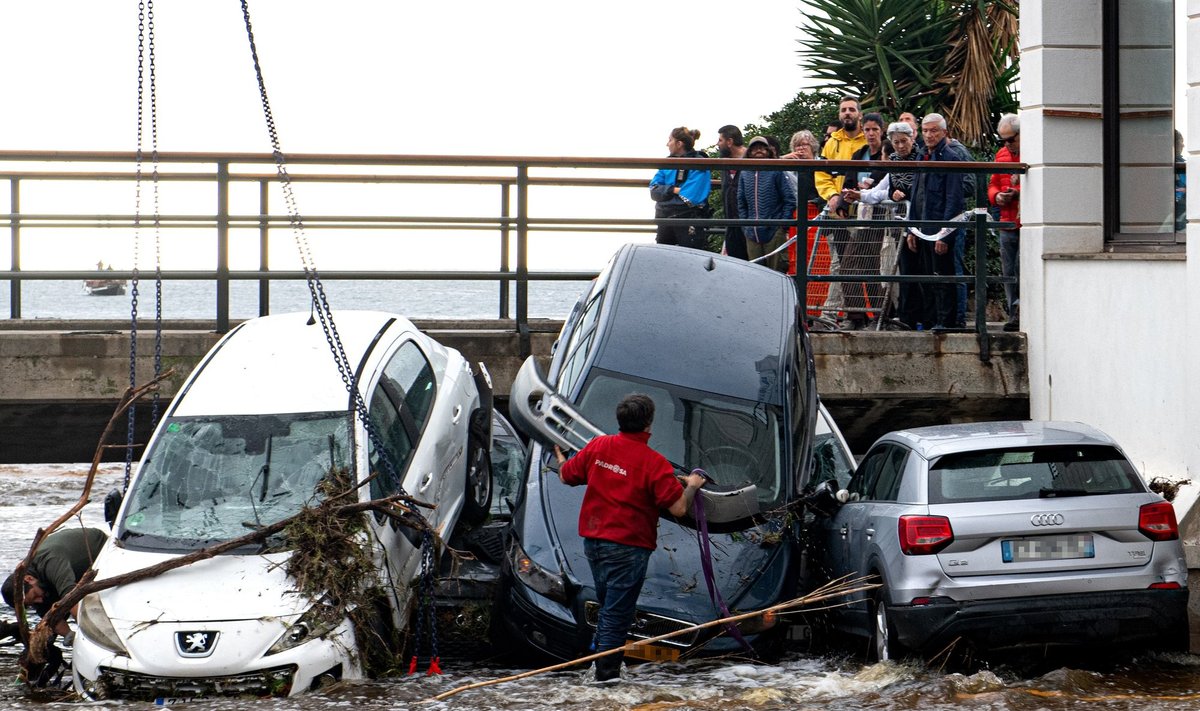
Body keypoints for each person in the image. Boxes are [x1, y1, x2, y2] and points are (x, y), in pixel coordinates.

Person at [553, 394, 705, 682]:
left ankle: (601, 663)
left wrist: (562, 459)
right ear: (649, 424)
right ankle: (606, 679)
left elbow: (566, 476)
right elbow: (679, 507)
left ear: (620, 420)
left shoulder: (599, 446)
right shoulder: (654, 463)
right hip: (628, 548)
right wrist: (693, 486)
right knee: (616, 613)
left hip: (594, 543)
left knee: (608, 606)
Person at [909, 113, 972, 329]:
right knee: (926, 276)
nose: (928, 135)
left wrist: (946, 233)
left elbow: (954, 200)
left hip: (940, 226)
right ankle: (931, 320)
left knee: (943, 276)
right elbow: (915, 194)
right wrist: (911, 228)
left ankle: (947, 321)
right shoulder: (921, 156)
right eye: (925, 130)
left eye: (933, 130)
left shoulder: (951, 158)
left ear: (944, 132)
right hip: (923, 225)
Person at [2, 527, 108, 636]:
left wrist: (93, 635)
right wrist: (69, 636)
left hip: (100, 548)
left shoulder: (50, 562)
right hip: (66, 573)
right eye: (32, 603)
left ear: (29, 579)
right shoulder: (32, 590)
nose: (39, 601)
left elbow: (72, 599)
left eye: (35, 596)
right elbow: (51, 618)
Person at [737, 136, 796, 273]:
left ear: (768, 151)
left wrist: (782, 225)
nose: (759, 150)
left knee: (777, 273)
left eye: (762, 147)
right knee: (755, 273)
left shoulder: (776, 171)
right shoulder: (745, 173)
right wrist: (746, 226)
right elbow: (741, 201)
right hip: (752, 233)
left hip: (774, 232)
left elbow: (790, 199)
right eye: (755, 148)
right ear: (749, 152)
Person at [649, 127, 712, 250]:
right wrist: (674, 190)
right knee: (664, 259)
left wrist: (665, 195)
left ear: (679, 144)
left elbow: (690, 198)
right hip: (665, 220)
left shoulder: (700, 164)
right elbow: (653, 190)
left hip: (688, 220)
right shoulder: (667, 163)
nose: (667, 144)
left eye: (670, 140)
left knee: (691, 261)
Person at [989, 113, 1022, 332]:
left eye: (1011, 139)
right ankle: (1013, 313)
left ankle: (1021, 311)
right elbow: (991, 184)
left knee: (1021, 268)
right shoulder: (1000, 155)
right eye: (1004, 140)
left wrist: (1016, 192)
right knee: (1008, 271)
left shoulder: (1033, 152)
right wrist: (996, 197)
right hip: (1007, 220)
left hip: (1023, 221)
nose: (1007, 144)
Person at [817, 97, 867, 218]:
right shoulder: (831, 142)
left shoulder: (869, 140)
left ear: (860, 115)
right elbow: (821, 175)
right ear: (839, 115)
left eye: (851, 109)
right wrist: (832, 195)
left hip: (865, 206)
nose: (847, 113)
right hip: (837, 209)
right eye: (843, 110)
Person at [716, 125, 748, 260]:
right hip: (731, 223)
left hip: (748, 225)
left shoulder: (751, 159)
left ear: (729, 142)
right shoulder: (725, 162)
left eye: (720, 140)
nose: (717, 144)